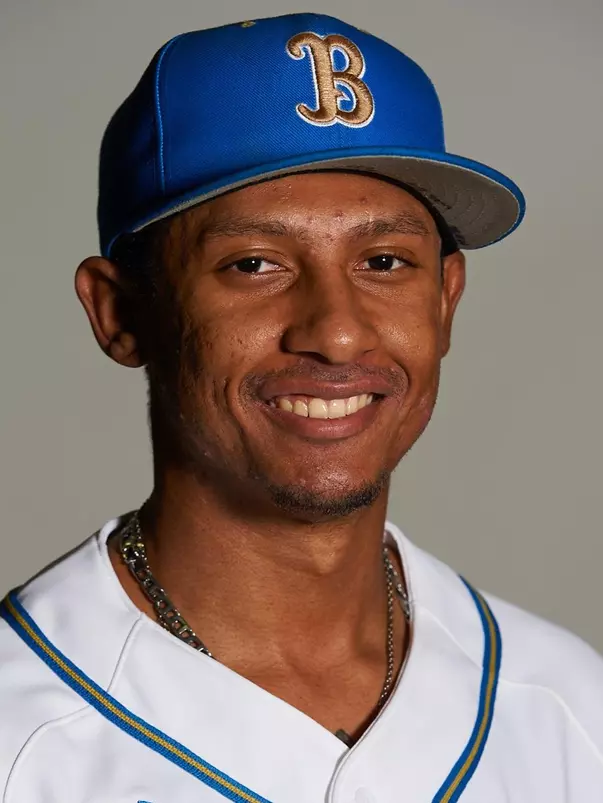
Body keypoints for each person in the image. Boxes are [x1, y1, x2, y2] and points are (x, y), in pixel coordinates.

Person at [1, 12, 602, 802]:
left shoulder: (569, 706)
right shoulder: (18, 730)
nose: (338, 331)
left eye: (383, 261)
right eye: (254, 264)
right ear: (120, 312)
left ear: (445, 299)